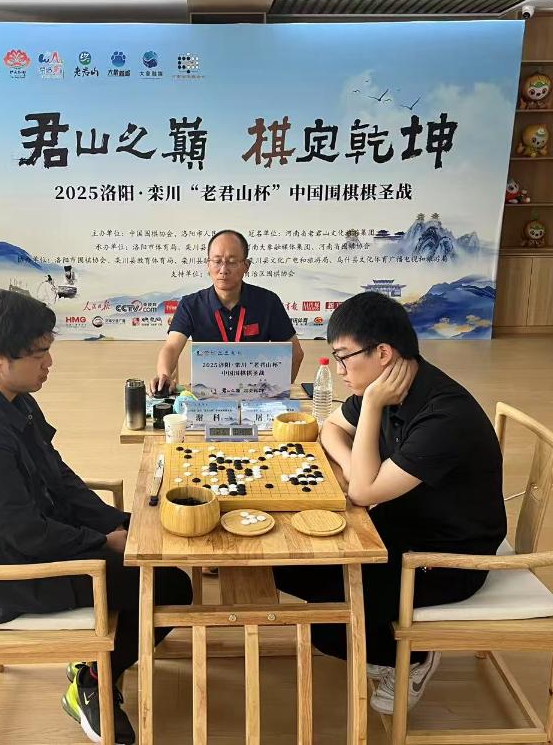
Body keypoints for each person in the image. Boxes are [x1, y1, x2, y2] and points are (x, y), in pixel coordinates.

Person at [0, 290, 192, 744]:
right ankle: (91, 679)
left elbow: (59, 479)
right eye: (39, 354)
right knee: (167, 586)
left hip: (35, 542)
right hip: (2, 576)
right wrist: (102, 542)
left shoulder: (12, 397)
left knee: (155, 535)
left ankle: (96, 662)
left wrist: (116, 522)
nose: (49, 363)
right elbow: (27, 535)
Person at [273, 291, 506, 715]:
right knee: (285, 565)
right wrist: (357, 466)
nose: (339, 370)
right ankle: (385, 636)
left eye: (344, 357)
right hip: (395, 527)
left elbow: (362, 493)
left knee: (329, 627)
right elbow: (331, 431)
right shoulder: (387, 383)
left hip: (446, 559)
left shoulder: (443, 416)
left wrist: (371, 413)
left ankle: (415, 656)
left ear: (382, 353)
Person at [148, 229, 304, 395]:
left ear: (246, 266)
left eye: (232, 262)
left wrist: (278, 392)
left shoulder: (268, 302)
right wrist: (164, 375)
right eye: (217, 261)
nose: (223, 269)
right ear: (208, 265)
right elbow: (171, 347)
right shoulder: (191, 305)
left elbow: (295, 353)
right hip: (207, 396)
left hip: (256, 394)